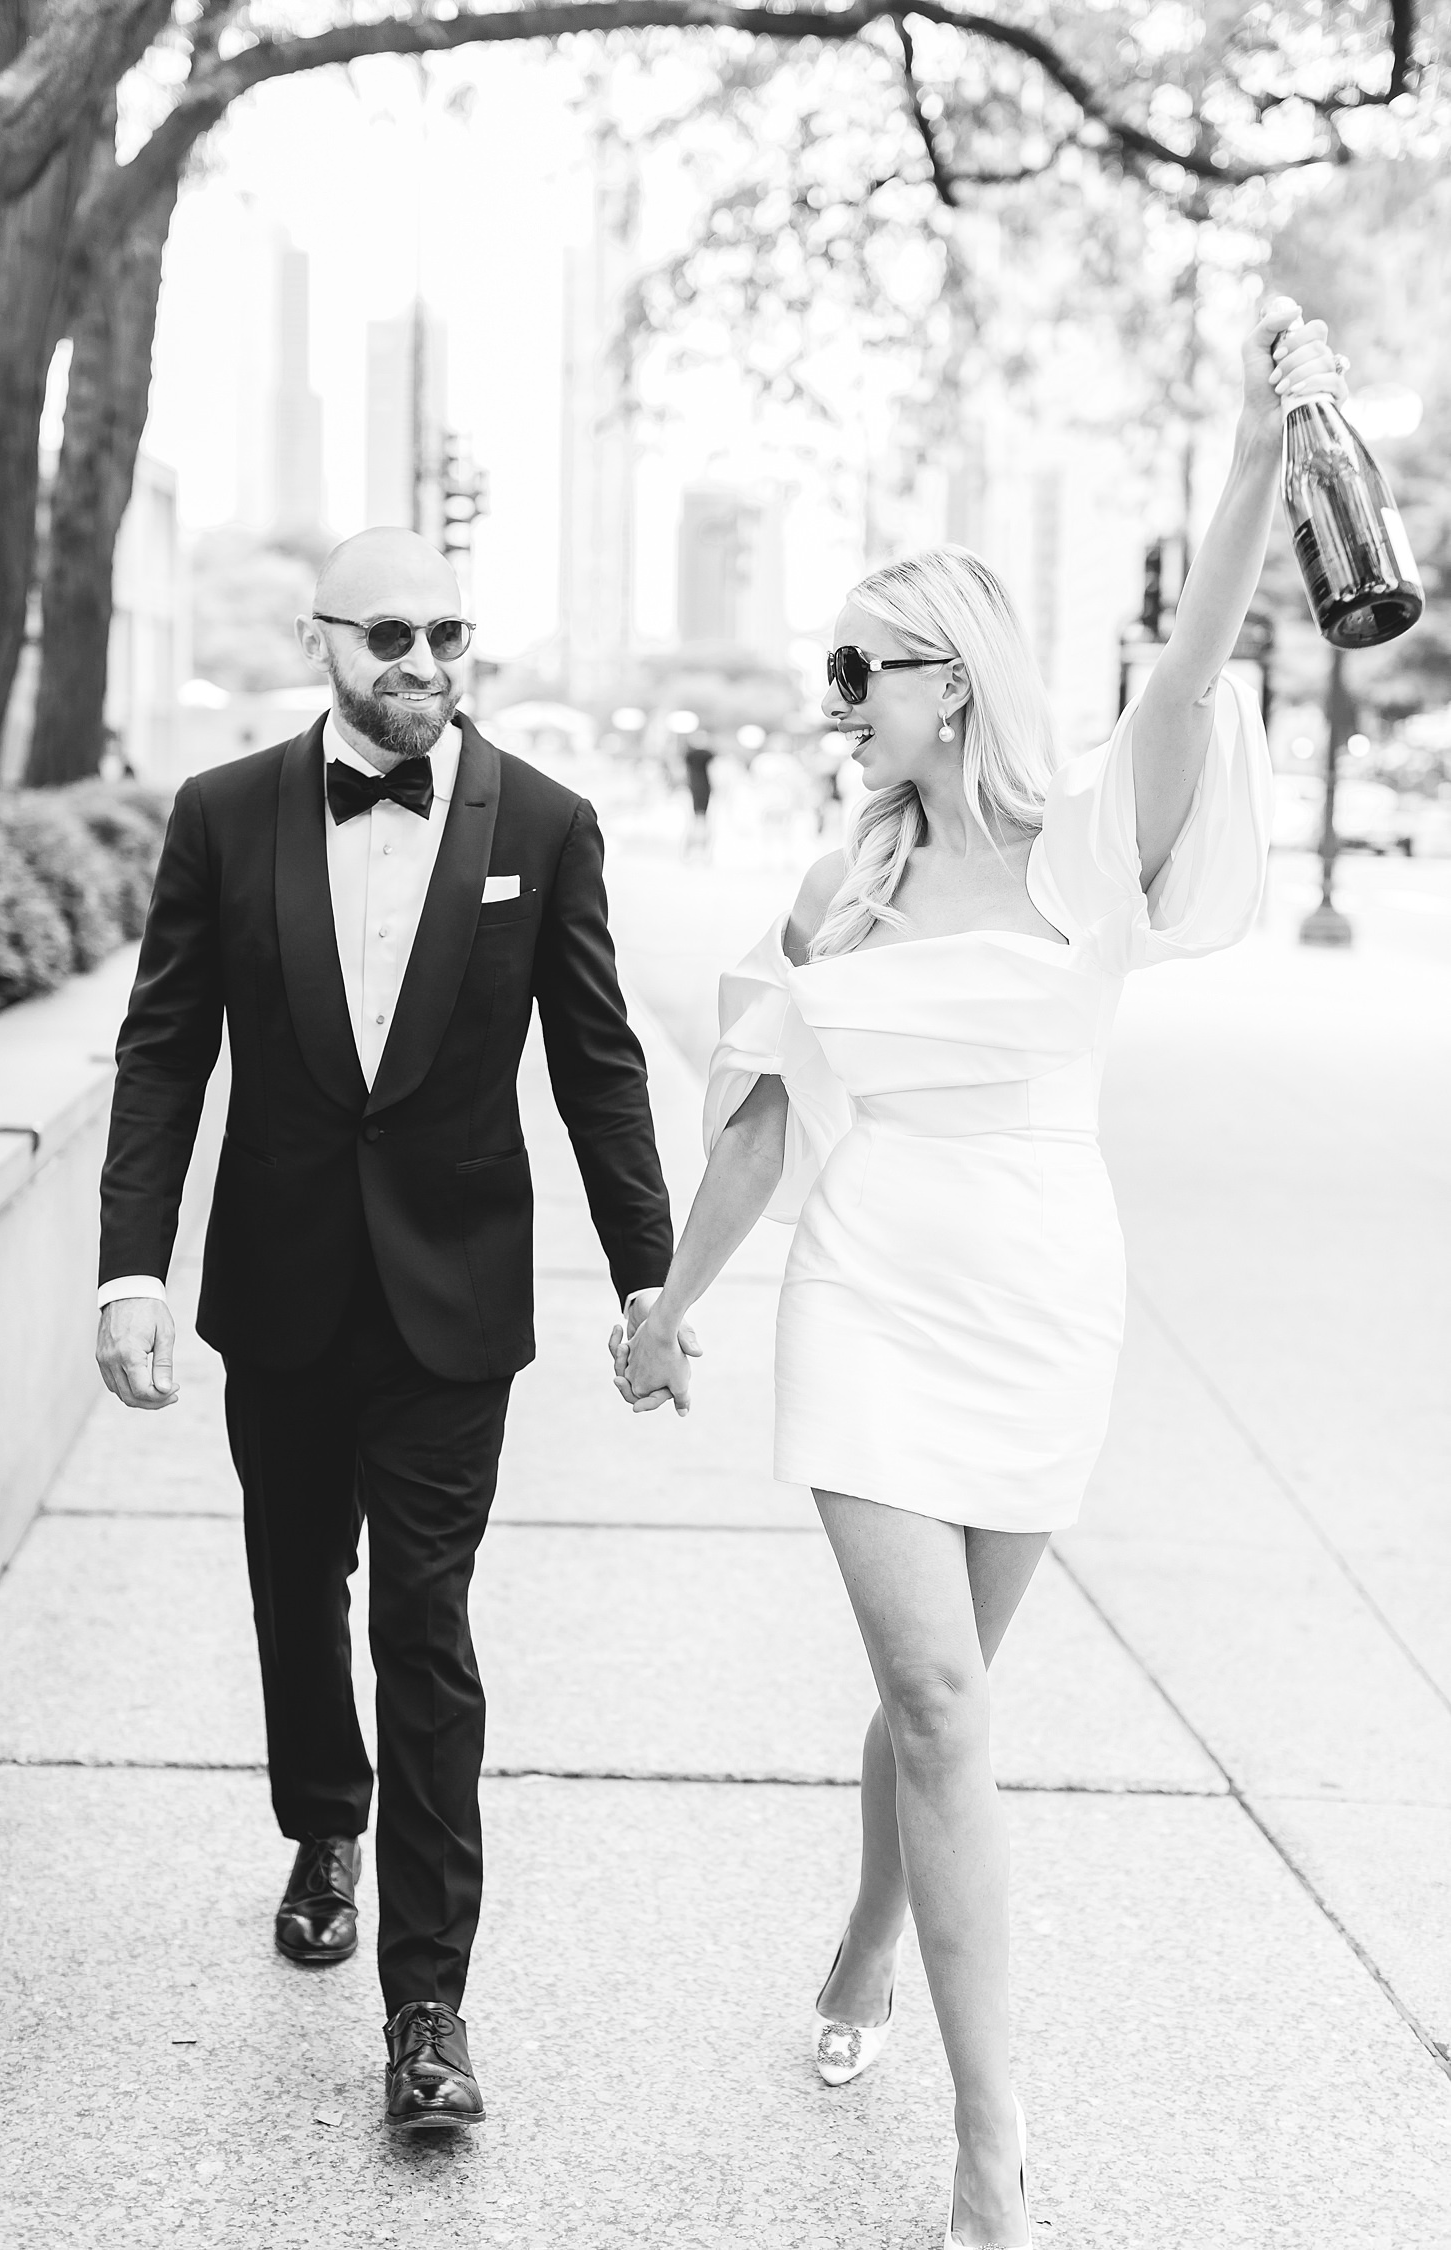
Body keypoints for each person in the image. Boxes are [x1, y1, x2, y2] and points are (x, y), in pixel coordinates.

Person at [613, 300, 1345, 2245]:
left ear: (957, 678)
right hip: (861, 1300)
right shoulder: (831, 884)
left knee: (942, 1701)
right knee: (940, 1698)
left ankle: (866, 1938)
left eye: (861, 664)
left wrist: (1268, 455)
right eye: (829, 667)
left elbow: (1191, 674)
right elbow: (762, 1124)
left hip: (1038, 1299)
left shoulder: (1092, 844)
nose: (833, 696)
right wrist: (670, 1307)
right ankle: (994, 2149)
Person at [96, 528, 676, 2134]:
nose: (428, 663)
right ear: (325, 640)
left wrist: (653, 1280)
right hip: (277, 1288)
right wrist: (129, 1268)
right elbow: (163, 1053)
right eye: (397, 634)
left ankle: (428, 2004)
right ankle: (320, 1816)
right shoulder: (223, 815)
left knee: (423, 1625)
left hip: (451, 1304)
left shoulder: (545, 824)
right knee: (296, 1583)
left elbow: (599, 1064)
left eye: (454, 634)